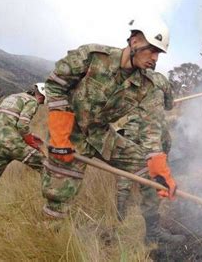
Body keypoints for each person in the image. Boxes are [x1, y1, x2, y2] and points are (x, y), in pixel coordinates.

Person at [42, 18, 185, 244]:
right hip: (69, 135)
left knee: (148, 173)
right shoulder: (93, 57)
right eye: (152, 50)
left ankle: (153, 236)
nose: (155, 58)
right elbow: (55, 84)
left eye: (159, 53)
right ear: (135, 41)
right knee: (57, 197)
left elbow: (150, 127)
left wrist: (158, 166)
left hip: (101, 136)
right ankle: (50, 242)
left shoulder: (147, 86)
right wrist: (60, 136)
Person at [0, 83, 46, 193]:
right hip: (11, 143)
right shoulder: (32, 101)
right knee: (45, 165)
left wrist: (31, 136)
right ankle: (54, 200)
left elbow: (4, 121)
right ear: (43, 96)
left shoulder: (11, 97)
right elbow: (22, 125)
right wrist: (32, 143)